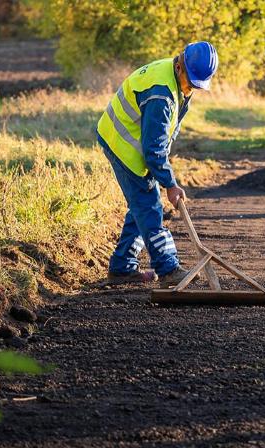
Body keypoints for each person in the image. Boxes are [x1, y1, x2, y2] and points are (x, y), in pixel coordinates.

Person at [97, 41, 218, 287]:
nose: (191, 88)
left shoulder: (176, 81)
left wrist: (162, 173)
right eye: (191, 82)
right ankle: (168, 268)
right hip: (122, 143)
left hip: (137, 142)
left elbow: (163, 137)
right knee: (149, 207)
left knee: (141, 207)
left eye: (196, 85)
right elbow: (153, 149)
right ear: (180, 66)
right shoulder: (161, 94)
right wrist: (170, 184)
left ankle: (122, 267)